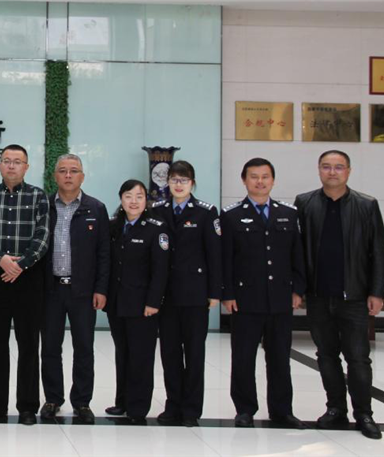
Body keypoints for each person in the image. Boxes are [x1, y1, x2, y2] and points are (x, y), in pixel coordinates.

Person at [294, 150, 384, 440]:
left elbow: (379, 252)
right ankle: (335, 409)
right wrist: (298, 289)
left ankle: (364, 414)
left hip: (355, 297)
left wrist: (377, 292)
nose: (332, 172)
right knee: (326, 355)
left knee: (358, 358)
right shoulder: (305, 203)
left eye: (338, 167)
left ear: (348, 171)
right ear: (318, 170)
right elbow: (296, 250)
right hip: (319, 296)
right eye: (326, 167)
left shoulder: (366, 205)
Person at [221, 157, 306, 429]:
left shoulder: (289, 213)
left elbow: (298, 255)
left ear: (273, 180)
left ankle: (282, 410)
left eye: (265, 176)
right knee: (243, 358)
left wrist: (298, 289)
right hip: (245, 300)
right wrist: (227, 293)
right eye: (254, 176)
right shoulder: (231, 215)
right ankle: (245, 409)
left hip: (280, 298)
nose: (260, 182)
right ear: (244, 180)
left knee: (280, 358)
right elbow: (226, 259)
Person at [0, 144, 50, 425]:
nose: (11, 165)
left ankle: (27, 406)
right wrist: (2, 259)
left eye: (17, 161)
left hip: (29, 276)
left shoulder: (38, 196)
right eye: (6, 160)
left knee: (28, 343)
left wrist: (21, 264)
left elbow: (43, 235)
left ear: (26, 167)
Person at [149, 160, 221, 427]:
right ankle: (173, 404)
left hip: (195, 294)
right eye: (174, 180)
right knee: (169, 353)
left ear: (192, 183)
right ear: (167, 182)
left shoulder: (206, 212)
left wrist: (214, 292)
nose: (178, 185)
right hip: (166, 295)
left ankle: (191, 409)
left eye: (184, 180)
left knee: (194, 354)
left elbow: (214, 255)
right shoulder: (157, 210)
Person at [39, 154, 110, 423]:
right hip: (50, 290)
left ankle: (82, 402)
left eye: (74, 171)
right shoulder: (44, 206)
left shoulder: (96, 208)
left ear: (82, 176)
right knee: (50, 348)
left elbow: (104, 253)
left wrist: (101, 289)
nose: (68, 175)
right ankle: (53, 398)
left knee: (84, 348)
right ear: (54, 176)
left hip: (83, 291)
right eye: (63, 171)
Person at [104, 179, 169, 425]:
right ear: (121, 199)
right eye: (129, 196)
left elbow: (160, 270)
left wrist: (154, 301)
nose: (134, 201)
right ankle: (122, 401)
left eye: (139, 196)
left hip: (143, 305)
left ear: (146, 201)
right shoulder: (113, 226)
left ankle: (138, 406)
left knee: (141, 356)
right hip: (117, 302)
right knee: (123, 353)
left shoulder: (156, 228)